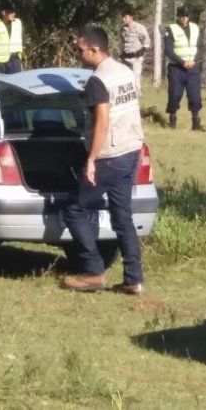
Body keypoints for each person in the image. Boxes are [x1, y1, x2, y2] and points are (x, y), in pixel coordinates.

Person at [61, 24, 145, 295]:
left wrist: (91, 159)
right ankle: (134, 279)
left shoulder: (98, 81)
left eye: (80, 50)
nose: (78, 55)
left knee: (74, 209)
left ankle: (92, 271)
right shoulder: (125, 72)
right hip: (132, 150)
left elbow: (102, 122)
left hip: (109, 155)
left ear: (94, 50)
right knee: (123, 217)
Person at [164, 6, 206, 130]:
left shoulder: (195, 28)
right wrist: (182, 62)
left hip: (193, 67)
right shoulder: (171, 29)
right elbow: (168, 50)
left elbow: (200, 47)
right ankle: (172, 120)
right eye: (182, 16)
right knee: (175, 94)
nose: (184, 18)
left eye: (186, 16)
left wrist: (194, 61)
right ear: (178, 16)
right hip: (177, 67)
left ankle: (196, 122)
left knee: (195, 95)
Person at [120, 8, 151, 94]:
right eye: (123, 17)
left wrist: (142, 50)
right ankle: (128, 96)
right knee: (126, 78)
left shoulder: (139, 27)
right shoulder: (123, 29)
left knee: (135, 77)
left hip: (136, 57)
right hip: (126, 57)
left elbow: (147, 40)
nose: (124, 19)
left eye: (126, 17)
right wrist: (122, 54)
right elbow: (123, 42)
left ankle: (137, 95)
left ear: (131, 17)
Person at [0, 5, 24, 73]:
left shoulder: (18, 22)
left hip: (14, 59)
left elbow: (22, 37)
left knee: (16, 79)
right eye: (10, 12)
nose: (13, 14)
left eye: (14, 12)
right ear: (3, 13)